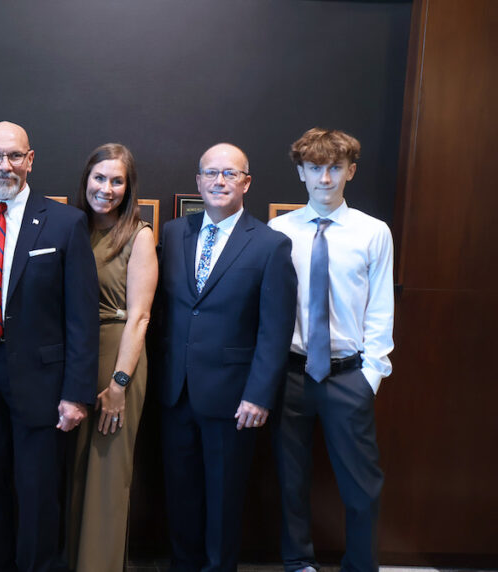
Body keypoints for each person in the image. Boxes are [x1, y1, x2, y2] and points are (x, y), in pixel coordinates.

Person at [0, 121, 99, 572]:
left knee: (38, 496)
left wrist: (76, 393)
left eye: (14, 156)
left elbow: (82, 318)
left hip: (44, 384)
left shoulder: (65, 224)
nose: (4, 166)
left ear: (30, 160)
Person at [157, 143, 297, 571]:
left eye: (230, 174)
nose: (219, 181)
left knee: (223, 501)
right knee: (180, 498)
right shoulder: (173, 233)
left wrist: (259, 395)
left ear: (246, 182)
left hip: (234, 399)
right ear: (198, 181)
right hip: (175, 392)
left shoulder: (270, 245)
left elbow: (275, 331)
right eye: (211, 173)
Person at [268, 128, 394, 572]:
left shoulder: (373, 233)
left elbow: (380, 307)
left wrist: (371, 375)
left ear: (350, 171)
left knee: (362, 486)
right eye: (316, 168)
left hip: (347, 376)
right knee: (290, 479)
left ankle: (360, 566)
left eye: (335, 168)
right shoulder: (278, 232)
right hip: (291, 374)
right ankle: (298, 562)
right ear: (301, 172)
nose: (326, 178)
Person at [65, 143, 158, 571]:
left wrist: (119, 384)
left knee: (105, 476)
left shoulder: (139, 235)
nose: (106, 188)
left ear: (128, 186)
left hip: (117, 359)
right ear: (86, 179)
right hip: (72, 358)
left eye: (116, 180)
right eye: (99, 178)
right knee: (72, 473)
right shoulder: (69, 226)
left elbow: (140, 317)